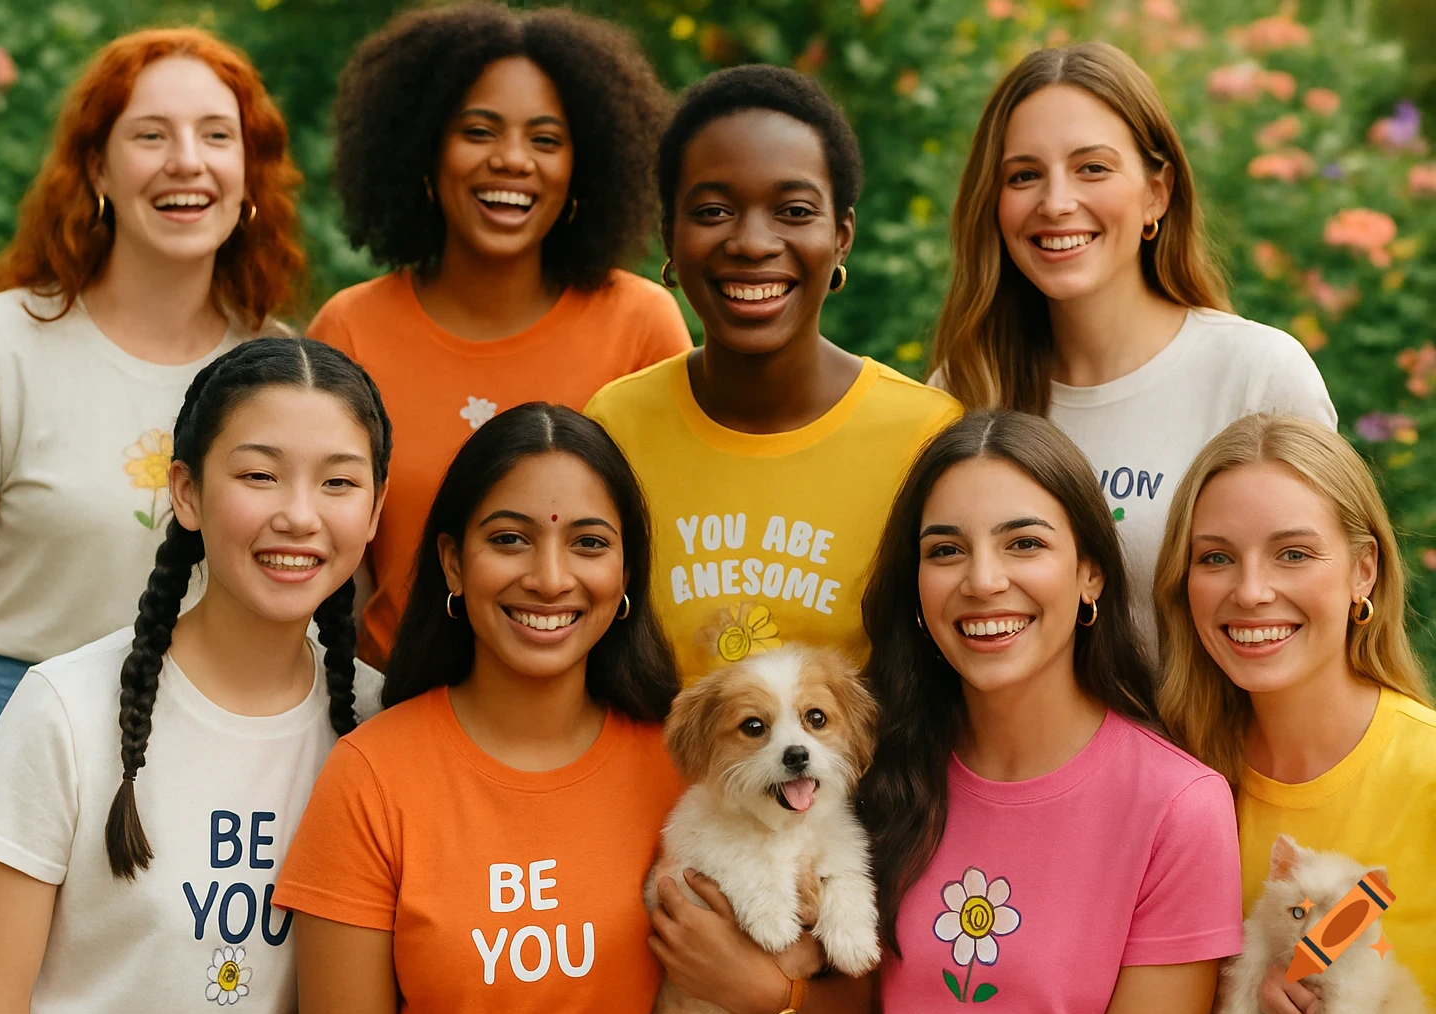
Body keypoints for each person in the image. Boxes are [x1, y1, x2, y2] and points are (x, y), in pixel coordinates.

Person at [0, 28, 306, 986]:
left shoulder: (274, 366)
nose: (186, 163)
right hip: (15, 743)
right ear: (97, 166)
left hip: (207, 756)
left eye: (216, 135)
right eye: (150, 135)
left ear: (248, 174)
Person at [0, 338, 389, 1014]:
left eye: (338, 482)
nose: (300, 515)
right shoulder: (65, 709)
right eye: (259, 476)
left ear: (376, 508)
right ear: (186, 492)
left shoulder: (381, 722)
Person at [273, 403, 683, 1014]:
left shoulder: (688, 769)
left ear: (627, 570)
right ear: (454, 562)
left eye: (589, 543)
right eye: (509, 539)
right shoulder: (372, 776)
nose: (550, 579)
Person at [312, 2, 691, 669]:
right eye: (479, 131)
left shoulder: (640, 322)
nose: (512, 160)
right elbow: (332, 566)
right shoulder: (350, 330)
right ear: (425, 150)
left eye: (546, 140)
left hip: (591, 716)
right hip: (394, 711)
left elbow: (666, 552)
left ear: (583, 167)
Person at [927, 41, 1335, 656]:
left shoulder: (1258, 378)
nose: (1056, 202)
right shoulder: (962, 391)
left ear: (1156, 194)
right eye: (1024, 175)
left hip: (1214, 753)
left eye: (1092, 168)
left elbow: (1324, 615)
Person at [587, 64, 961, 684]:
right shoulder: (615, 427)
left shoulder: (925, 438)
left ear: (841, 238)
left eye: (792, 210)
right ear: (669, 241)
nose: (753, 243)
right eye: (713, 211)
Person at [862, 411, 1241, 1014]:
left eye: (1025, 543)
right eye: (946, 550)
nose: (983, 580)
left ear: (1090, 572)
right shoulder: (865, 766)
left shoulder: (1178, 808)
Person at [1154, 413, 1436, 1014]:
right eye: (1216, 558)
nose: (1252, 591)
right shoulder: (1166, 783)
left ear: (1364, 570)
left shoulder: (1428, 773)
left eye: (1293, 553)